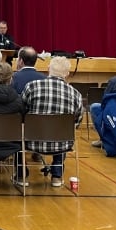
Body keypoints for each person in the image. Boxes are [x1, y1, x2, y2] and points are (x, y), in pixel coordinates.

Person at [21, 56, 83, 188]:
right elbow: (76, 122)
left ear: (48, 69)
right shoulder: (76, 94)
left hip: (31, 141)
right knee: (63, 132)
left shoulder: (31, 87)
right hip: (61, 144)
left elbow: (21, 113)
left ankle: (21, 176)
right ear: (67, 74)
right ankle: (56, 176)